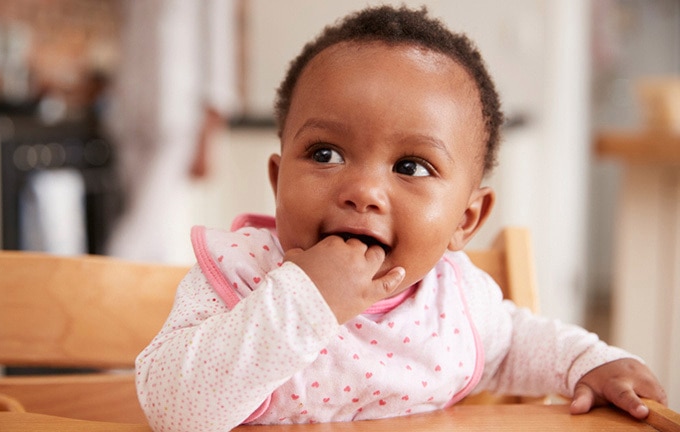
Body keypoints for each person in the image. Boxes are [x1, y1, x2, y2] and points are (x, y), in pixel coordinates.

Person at [135, 5, 667, 431]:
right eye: (325, 154)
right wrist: (304, 299)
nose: (363, 190)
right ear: (277, 181)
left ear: (466, 218)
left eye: (411, 166)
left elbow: (517, 345)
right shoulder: (240, 277)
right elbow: (173, 410)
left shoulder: (454, 303)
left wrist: (588, 363)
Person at [106, 0, 237, 264]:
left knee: (135, 233)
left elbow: (218, 48)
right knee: (162, 229)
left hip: (177, 117)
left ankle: (100, 286)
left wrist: (208, 136)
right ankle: (158, 300)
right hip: (130, 114)